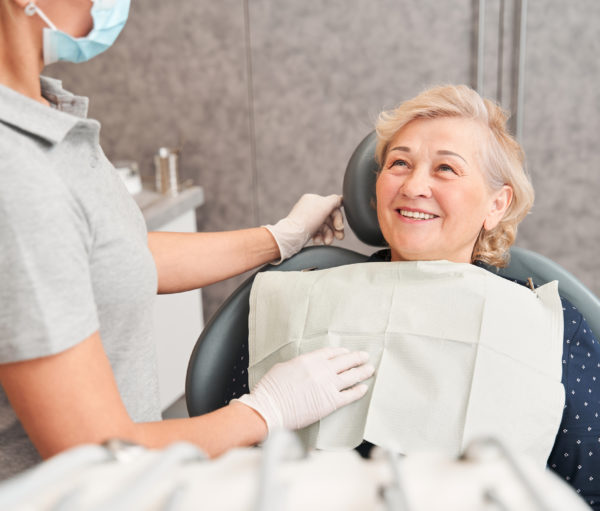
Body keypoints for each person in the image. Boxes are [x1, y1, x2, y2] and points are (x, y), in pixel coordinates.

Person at [0, 0, 375, 481]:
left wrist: (280, 238)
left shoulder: (47, 115)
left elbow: (111, 257)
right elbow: (95, 452)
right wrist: (263, 412)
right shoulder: (16, 176)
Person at [229, 84, 600, 508]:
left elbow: (586, 489)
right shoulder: (299, 298)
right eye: (400, 163)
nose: (413, 186)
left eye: (446, 169)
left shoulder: (547, 326)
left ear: (496, 204)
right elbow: (232, 458)